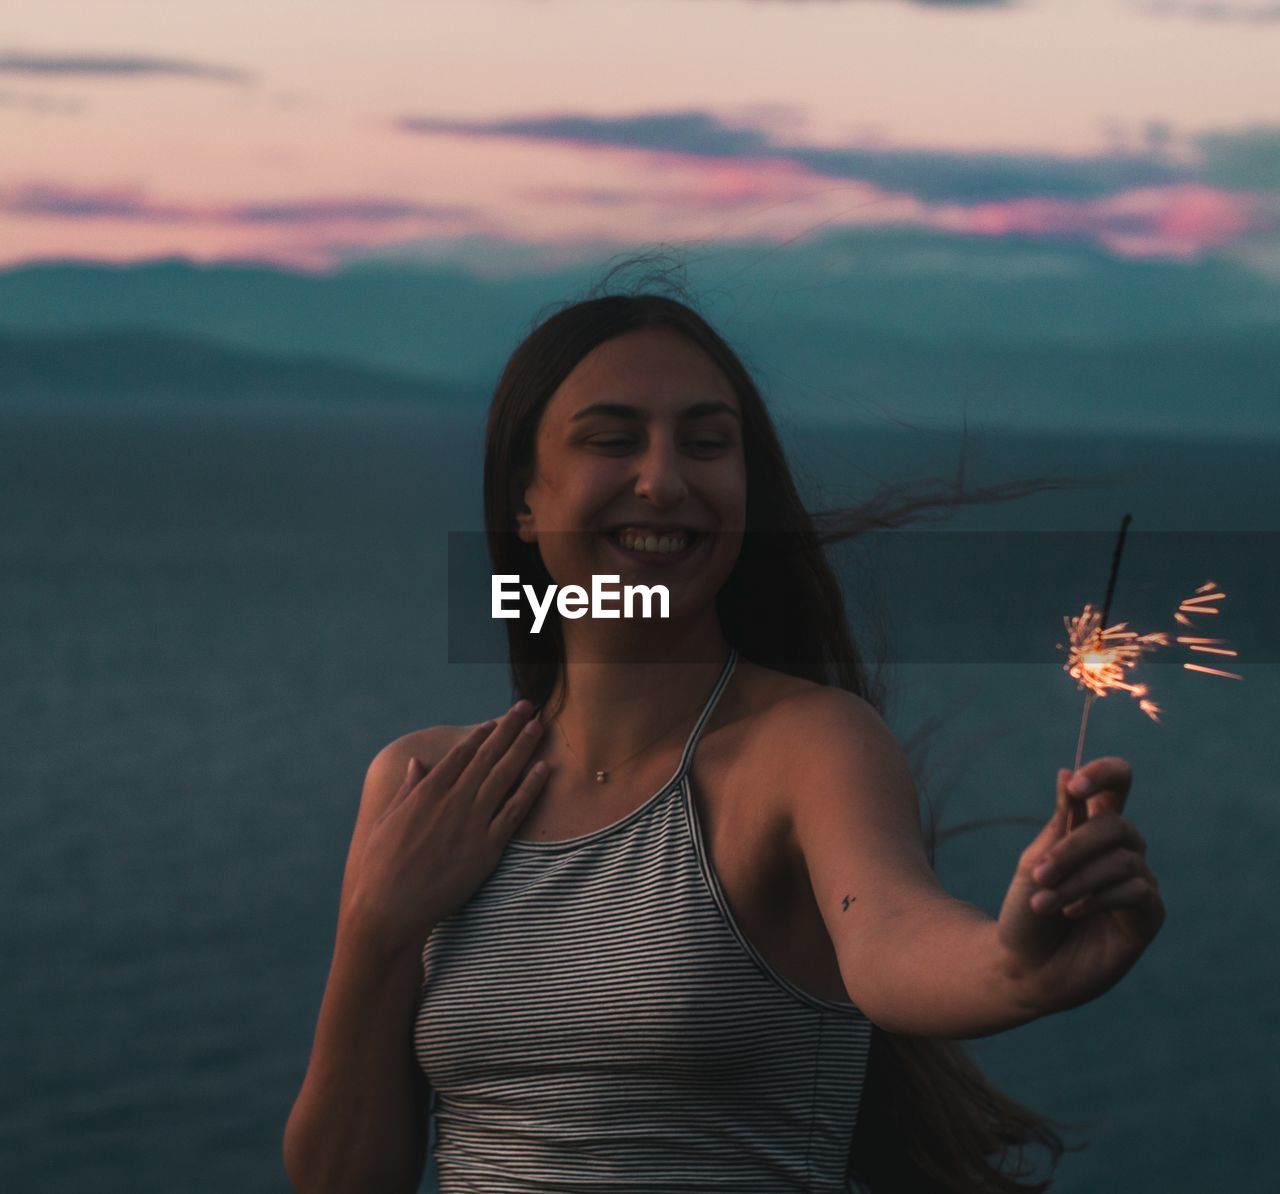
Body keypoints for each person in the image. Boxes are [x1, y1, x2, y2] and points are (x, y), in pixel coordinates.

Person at [283, 285, 1166, 1193]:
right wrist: (375, 928)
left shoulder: (806, 749)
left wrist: (1013, 962)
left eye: (706, 443)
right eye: (614, 438)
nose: (664, 480)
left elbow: (892, 938)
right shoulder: (422, 784)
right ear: (523, 500)